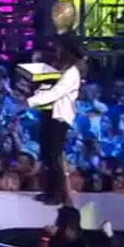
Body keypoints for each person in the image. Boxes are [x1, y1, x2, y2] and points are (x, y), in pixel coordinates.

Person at [26, 35, 84, 205]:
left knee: (54, 155)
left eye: (59, 48)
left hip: (59, 117)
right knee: (46, 153)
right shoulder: (60, 68)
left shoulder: (72, 72)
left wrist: (30, 102)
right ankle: (49, 190)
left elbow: (57, 92)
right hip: (49, 113)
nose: (57, 50)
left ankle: (57, 193)